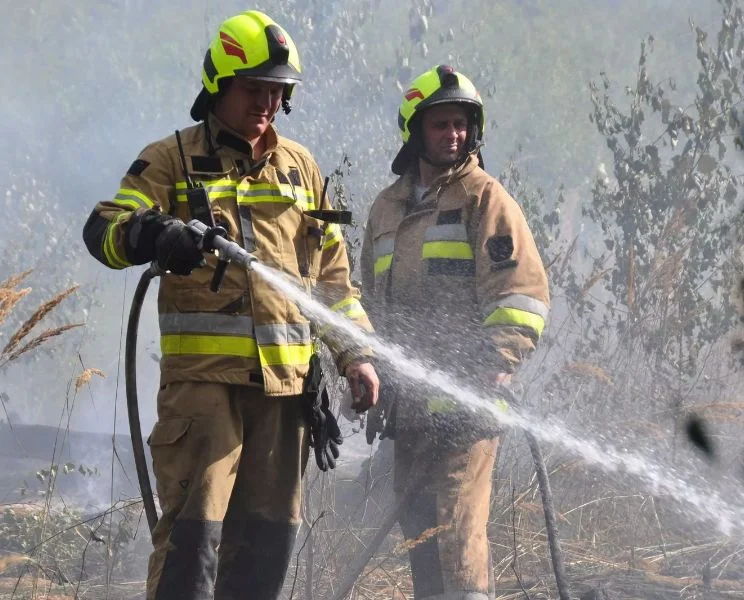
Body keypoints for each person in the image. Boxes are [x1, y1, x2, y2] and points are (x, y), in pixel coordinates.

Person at [83, 10, 379, 600]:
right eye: (255, 89)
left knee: (266, 552)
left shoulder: (301, 168)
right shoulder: (170, 159)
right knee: (193, 551)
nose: (267, 102)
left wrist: (355, 355)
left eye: (278, 91)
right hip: (204, 394)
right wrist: (153, 234)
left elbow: (332, 279)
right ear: (219, 83)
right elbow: (103, 230)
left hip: (287, 395)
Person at [361, 65, 549, 600]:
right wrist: (366, 367)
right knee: (420, 539)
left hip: (467, 410)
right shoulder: (386, 208)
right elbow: (367, 303)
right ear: (416, 132)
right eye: (441, 124)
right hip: (409, 410)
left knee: (458, 539)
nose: (453, 134)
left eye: (462, 124)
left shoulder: (484, 200)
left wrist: (492, 363)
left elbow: (521, 295)